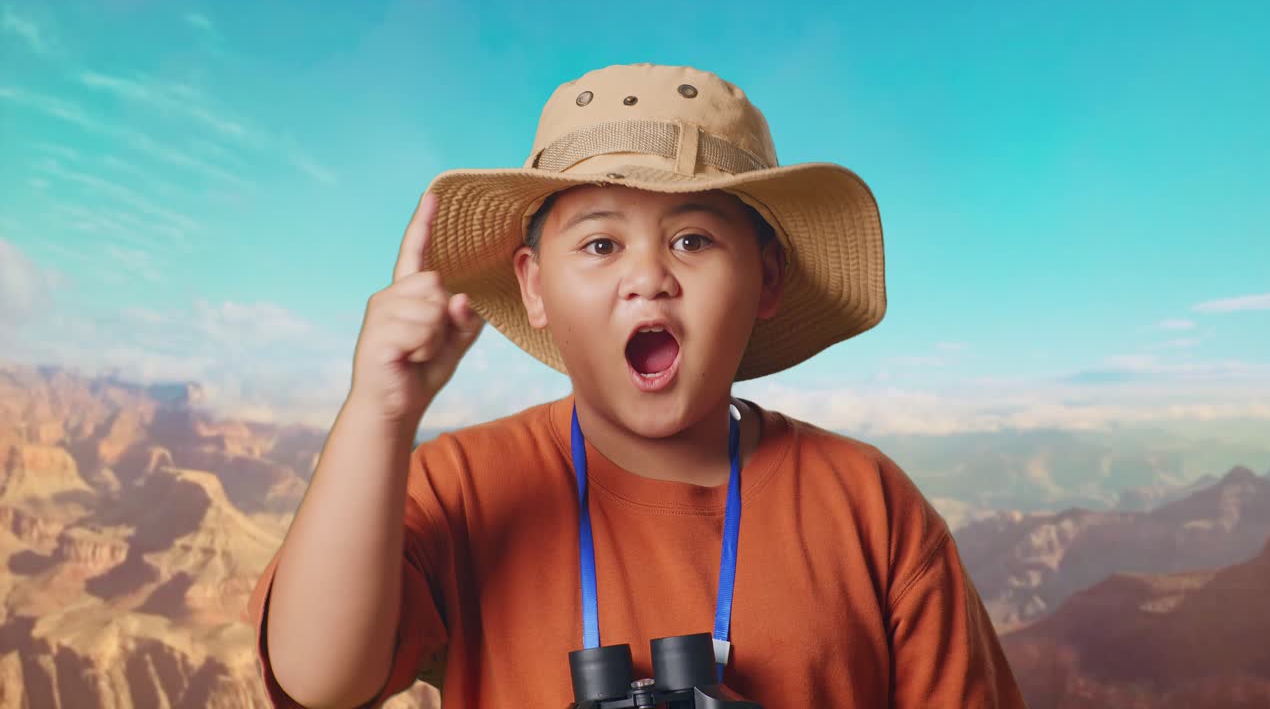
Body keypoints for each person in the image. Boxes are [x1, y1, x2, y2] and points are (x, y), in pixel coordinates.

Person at [246, 63, 1027, 708]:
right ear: (535, 288)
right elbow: (321, 680)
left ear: (766, 281)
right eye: (599, 243)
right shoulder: (462, 488)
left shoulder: (868, 505)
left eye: (693, 238)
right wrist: (380, 412)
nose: (648, 278)